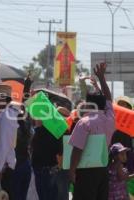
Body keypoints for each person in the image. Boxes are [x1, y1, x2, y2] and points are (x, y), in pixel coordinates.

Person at [69, 63, 115, 200]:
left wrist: (72, 170)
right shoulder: (110, 118)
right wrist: (101, 77)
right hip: (102, 169)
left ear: (89, 104)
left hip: (86, 172)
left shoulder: (84, 122)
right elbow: (108, 99)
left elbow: (77, 149)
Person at [0, 48, 20, 200]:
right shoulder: (4, 112)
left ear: (3, 100)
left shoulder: (7, 115)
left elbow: (5, 143)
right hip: (0, 165)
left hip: (4, 167)